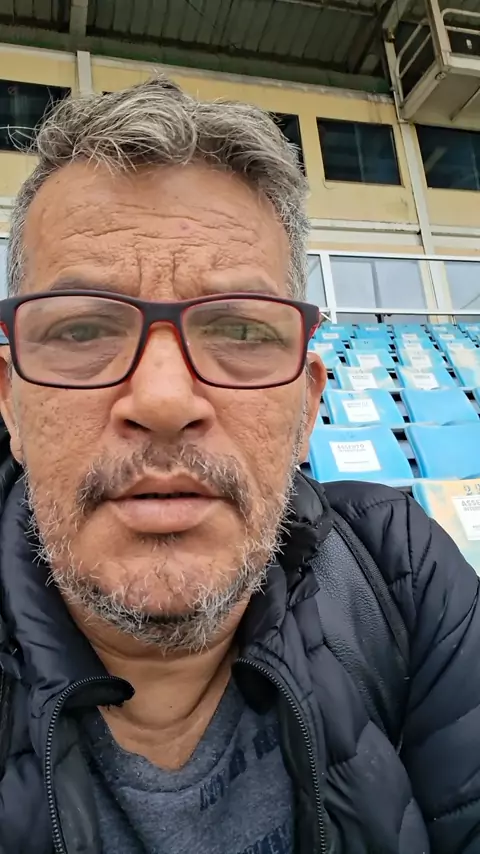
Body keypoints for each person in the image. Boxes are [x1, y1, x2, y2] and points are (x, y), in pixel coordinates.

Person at [0, 77, 479, 854]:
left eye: (241, 331)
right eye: (83, 328)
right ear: (11, 402)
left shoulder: (405, 579)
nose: (162, 399)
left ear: (307, 405)